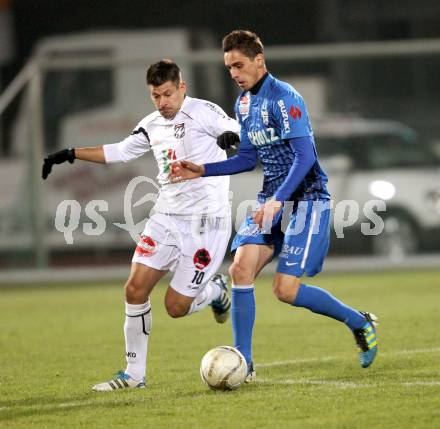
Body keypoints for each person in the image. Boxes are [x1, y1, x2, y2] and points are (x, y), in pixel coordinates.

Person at [170, 30, 379, 380]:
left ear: (259, 60)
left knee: (285, 290)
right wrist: (203, 169)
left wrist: (279, 201)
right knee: (239, 269)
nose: (234, 73)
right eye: (229, 68)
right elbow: (248, 158)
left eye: (239, 65)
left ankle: (360, 322)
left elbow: (305, 155)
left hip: (307, 199)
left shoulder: (284, 97)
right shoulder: (243, 104)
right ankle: (245, 362)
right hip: (272, 201)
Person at [42, 59, 240, 391]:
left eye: (166, 94)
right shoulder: (152, 124)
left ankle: (216, 291)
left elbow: (234, 128)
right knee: (134, 289)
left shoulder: (204, 112)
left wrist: (232, 139)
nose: (162, 103)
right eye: (155, 96)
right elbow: (120, 151)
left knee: (175, 307)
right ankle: (134, 375)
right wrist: (70, 153)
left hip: (205, 223)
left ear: (181, 88)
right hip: (165, 218)